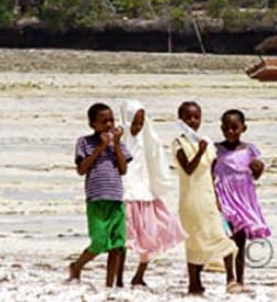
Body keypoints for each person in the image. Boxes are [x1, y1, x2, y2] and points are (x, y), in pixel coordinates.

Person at [117, 100, 189, 288]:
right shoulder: (118, 137)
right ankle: (118, 278)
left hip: (144, 192)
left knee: (152, 235)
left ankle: (139, 275)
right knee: (124, 240)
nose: (138, 127)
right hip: (125, 194)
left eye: (141, 122)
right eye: (134, 122)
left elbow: (155, 158)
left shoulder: (146, 137)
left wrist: (159, 185)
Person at [171, 101, 239, 295]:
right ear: (181, 120)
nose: (193, 121)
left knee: (220, 235)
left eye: (196, 117)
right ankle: (194, 283)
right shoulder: (178, 143)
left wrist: (217, 197)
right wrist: (199, 150)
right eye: (188, 117)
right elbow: (189, 169)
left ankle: (231, 279)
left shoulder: (207, 142)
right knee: (194, 240)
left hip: (207, 197)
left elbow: (211, 172)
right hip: (190, 199)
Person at [68, 103, 131, 287]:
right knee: (99, 242)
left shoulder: (118, 144)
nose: (109, 125)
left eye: (111, 120)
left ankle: (109, 284)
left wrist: (116, 145)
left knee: (118, 244)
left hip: (116, 197)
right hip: (96, 199)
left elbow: (123, 169)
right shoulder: (84, 142)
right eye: (104, 121)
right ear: (92, 124)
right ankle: (77, 265)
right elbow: (81, 169)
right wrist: (100, 148)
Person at [213, 109, 272, 291]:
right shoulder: (216, 150)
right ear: (221, 128)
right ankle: (229, 279)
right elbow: (208, 174)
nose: (230, 132)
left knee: (240, 240)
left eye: (234, 128)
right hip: (224, 199)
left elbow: (256, 174)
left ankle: (241, 280)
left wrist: (259, 168)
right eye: (226, 128)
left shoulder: (249, 150)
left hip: (244, 200)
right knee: (227, 239)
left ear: (243, 128)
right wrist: (213, 198)